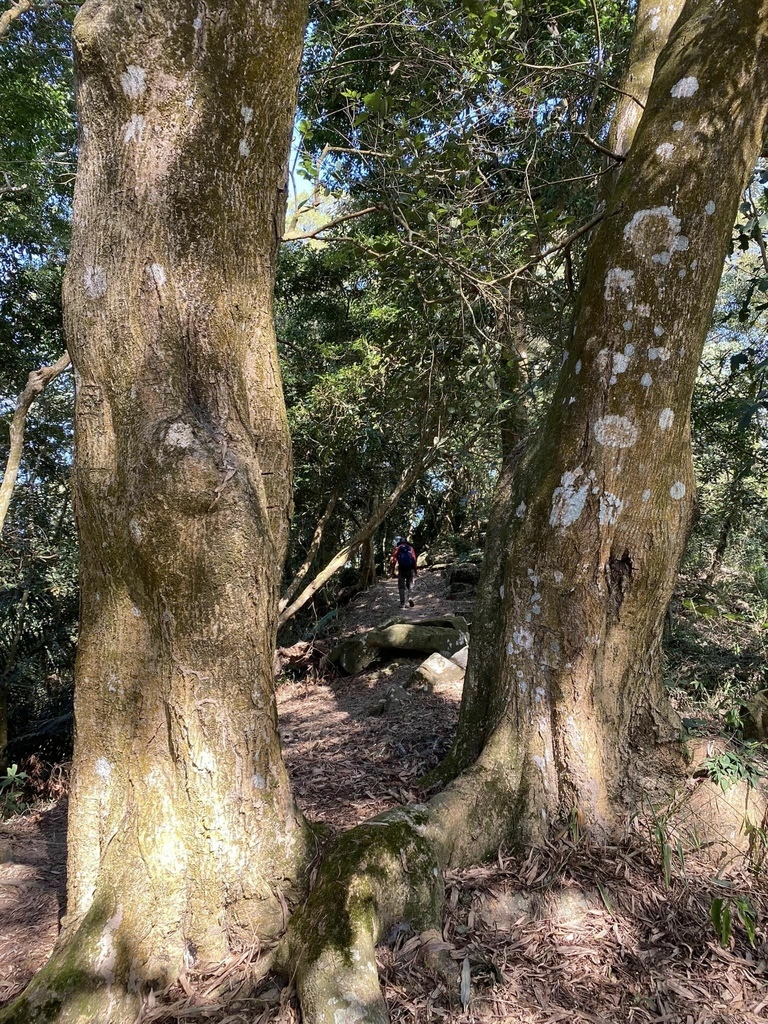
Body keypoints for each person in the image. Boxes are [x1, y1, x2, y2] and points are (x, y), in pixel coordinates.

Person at [390, 536, 418, 607]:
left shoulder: (398, 548)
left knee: (401, 586)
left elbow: (394, 560)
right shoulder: (410, 548)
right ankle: (410, 598)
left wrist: (392, 571)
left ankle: (402, 603)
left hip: (401, 569)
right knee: (410, 585)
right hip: (410, 569)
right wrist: (415, 571)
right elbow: (414, 559)